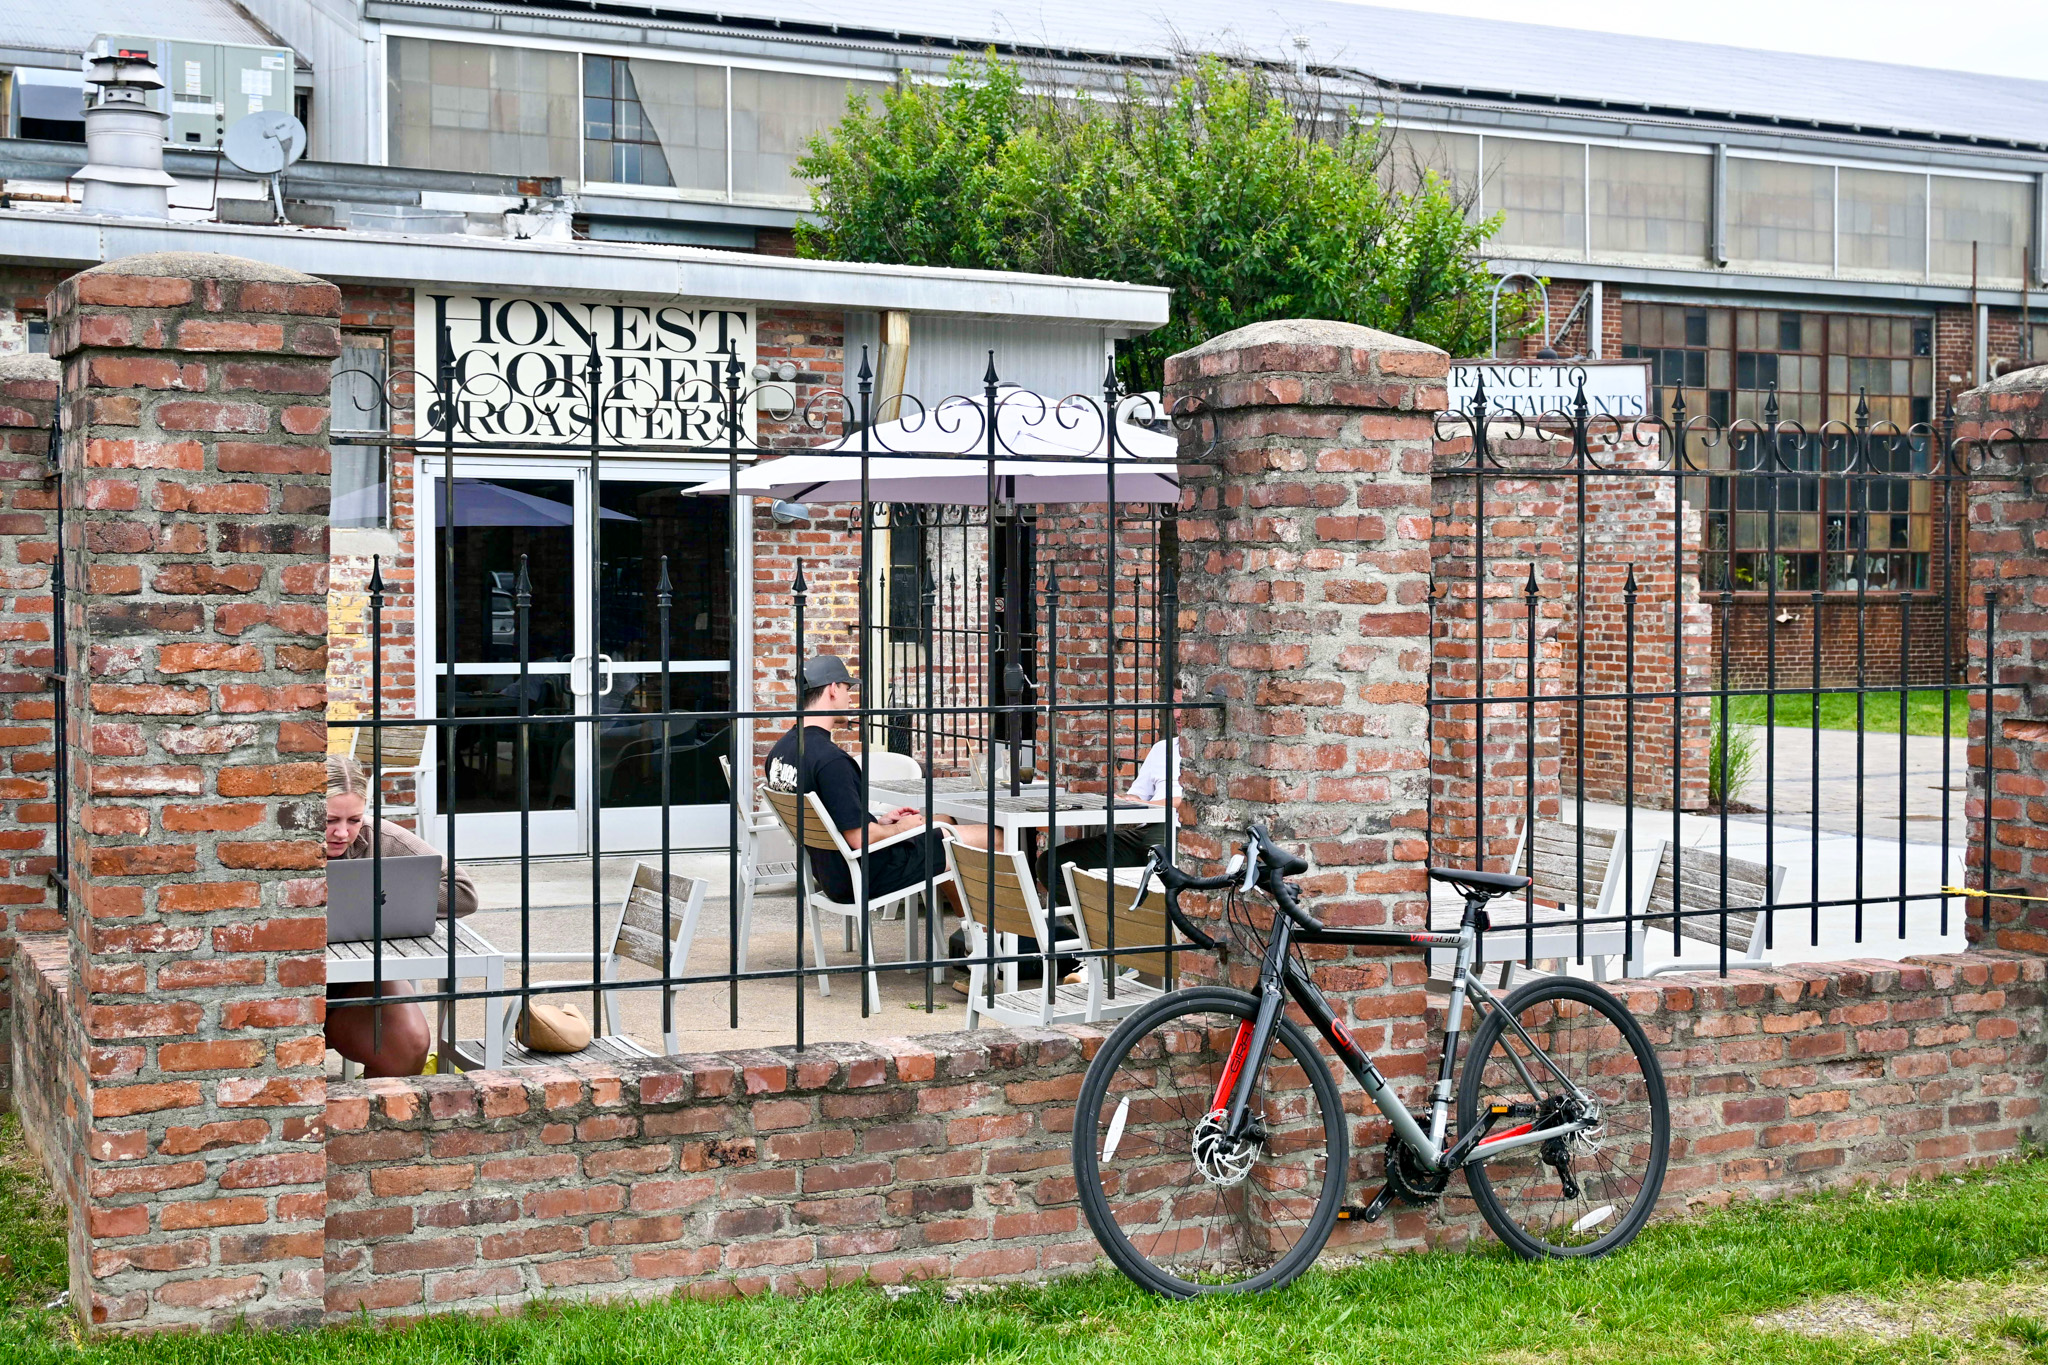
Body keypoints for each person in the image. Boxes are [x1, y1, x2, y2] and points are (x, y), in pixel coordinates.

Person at [765, 655, 997, 912]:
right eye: (847, 689)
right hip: (864, 873)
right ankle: (991, 930)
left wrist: (880, 822)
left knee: (944, 821)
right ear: (832, 689)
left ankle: (970, 927)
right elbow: (859, 839)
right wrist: (899, 829)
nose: (850, 698)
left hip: (830, 873)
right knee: (995, 837)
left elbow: (835, 821)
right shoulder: (831, 761)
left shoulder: (780, 752)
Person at [324, 753, 479, 1077]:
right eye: (329, 821)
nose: (342, 833)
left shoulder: (379, 836)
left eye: (353, 820)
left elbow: (462, 892)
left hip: (357, 978)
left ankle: (380, 1110)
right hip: (281, 979)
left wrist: (380, 901)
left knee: (408, 1043)